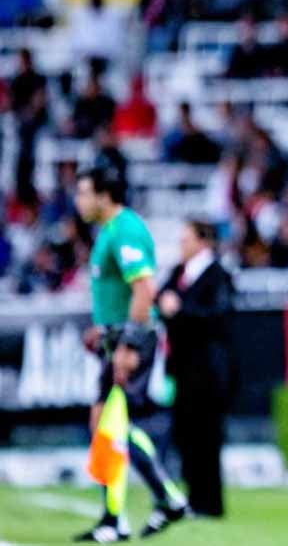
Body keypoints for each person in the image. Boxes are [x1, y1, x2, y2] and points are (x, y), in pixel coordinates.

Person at [73, 164, 188, 542]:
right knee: (103, 424)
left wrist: (128, 345)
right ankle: (121, 514)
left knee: (114, 426)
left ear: (105, 195)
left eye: (84, 192)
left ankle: (154, 502)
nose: (79, 200)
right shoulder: (110, 231)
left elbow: (144, 289)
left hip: (131, 342)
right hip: (115, 338)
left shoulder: (125, 231)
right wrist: (104, 330)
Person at [158, 219, 236, 518]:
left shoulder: (218, 275)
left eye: (187, 239)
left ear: (204, 242)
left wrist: (180, 311)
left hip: (209, 369)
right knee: (185, 434)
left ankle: (211, 503)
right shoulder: (179, 273)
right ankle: (193, 497)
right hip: (182, 366)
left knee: (207, 436)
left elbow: (218, 316)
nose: (182, 245)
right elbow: (162, 299)